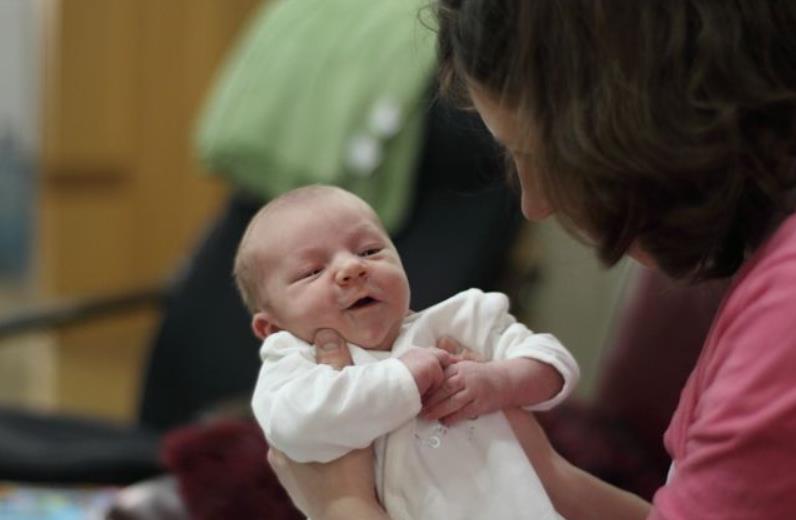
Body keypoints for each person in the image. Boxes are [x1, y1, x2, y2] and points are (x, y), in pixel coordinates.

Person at [266, 1, 796, 519]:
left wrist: (343, 505)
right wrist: (547, 473)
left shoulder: (782, 320)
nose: (534, 204)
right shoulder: (768, 284)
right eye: (310, 271)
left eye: (538, 156)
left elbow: (550, 362)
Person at [234, 184, 580, 520]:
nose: (352, 268)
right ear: (273, 328)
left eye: (369, 251)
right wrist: (403, 378)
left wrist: (499, 380)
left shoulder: (459, 320)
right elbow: (293, 427)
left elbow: (554, 362)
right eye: (312, 271)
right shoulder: (295, 366)